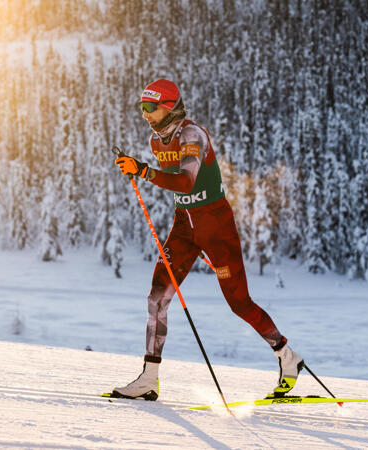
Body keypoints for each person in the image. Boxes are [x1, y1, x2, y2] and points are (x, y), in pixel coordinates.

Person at [111, 79, 303, 401]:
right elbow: (175, 185)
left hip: (216, 228)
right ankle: (149, 378)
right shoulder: (157, 141)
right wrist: (142, 171)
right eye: (142, 108)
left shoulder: (192, 135)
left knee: (239, 303)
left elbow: (186, 181)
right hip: (184, 228)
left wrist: (143, 171)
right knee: (157, 297)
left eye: (150, 108)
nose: (145, 115)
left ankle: (287, 356)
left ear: (169, 107)